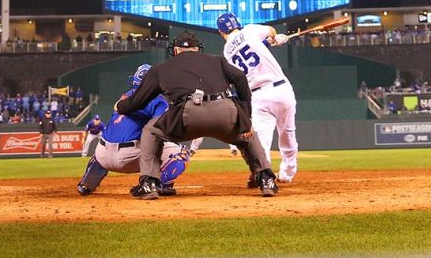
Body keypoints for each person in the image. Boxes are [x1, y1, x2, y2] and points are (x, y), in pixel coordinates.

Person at [115, 31, 277, 199]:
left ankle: (148, 183)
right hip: (225, 111)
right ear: (197, 49)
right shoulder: (217, 60)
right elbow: (240, 77)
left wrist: (120, 106)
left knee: (151, 131)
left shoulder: (161, 68)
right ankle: (266, 179)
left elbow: (136, 102)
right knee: (248, 135)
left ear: (175, 50)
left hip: (187, 116)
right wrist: (245, 116)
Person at [76, 65, 190, 196]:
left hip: (102, 156)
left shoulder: (126, 95)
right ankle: (158, 185)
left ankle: (86, 184)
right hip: (129, 156)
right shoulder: (158, 100)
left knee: (105, 143)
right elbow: (162, 127)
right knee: (181, 151)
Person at [217, 12, 298, 183]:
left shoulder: (227, 51)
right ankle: (287, 174)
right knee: (288, 134)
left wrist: (266, 43)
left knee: (262, 141)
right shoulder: (249, 30)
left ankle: (263, 175)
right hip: (281, 88)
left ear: (221, 32)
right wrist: (277, 38)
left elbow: (248, 54)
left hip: (258, 95)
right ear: (237, 23)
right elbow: (271, 31)